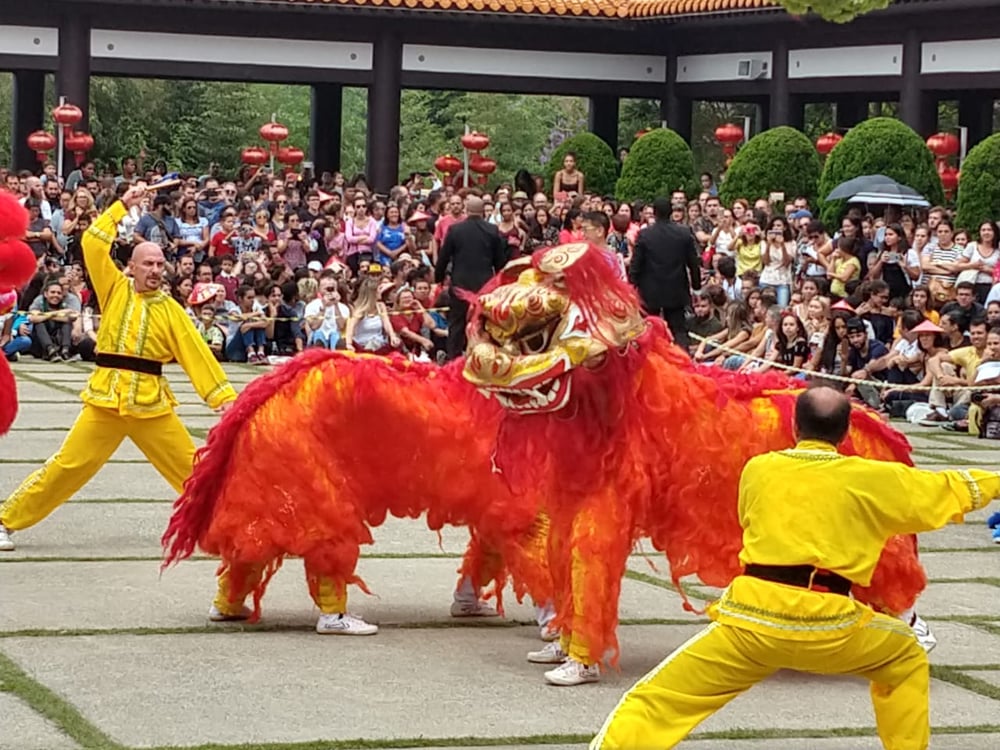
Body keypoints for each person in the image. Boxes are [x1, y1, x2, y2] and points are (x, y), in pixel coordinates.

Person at [590, 386, 1000, 750]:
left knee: (658, 699)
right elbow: (950, 487)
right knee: (906, 655)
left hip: (750, 622)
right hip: (832, 627)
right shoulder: (874, 478)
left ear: (795, 426)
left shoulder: (759, 469)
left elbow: (748, 519)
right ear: (845, 433)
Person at [0, 186, 237, 552]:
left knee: (193, 472)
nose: (155, 270)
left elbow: (197, 356)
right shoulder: (114, 288)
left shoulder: (172, 310)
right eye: (148, 264)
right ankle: (5, 520)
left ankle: (230, 530)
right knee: (67, 466)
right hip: (105, 403)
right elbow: (93, 243)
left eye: (159, 264)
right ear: (132, 266)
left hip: (151, 406)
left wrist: (224, 399)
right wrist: (123, 205)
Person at [434, 196, 506, 360]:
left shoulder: (455, 230)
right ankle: (486, 358)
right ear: (483, 211)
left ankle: (453, 360)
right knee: (485, 324)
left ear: (466, 209)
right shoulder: (492, 230)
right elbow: (500, 262)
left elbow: (443, 257)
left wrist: (439, 278)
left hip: (460, 284)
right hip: (485, 286)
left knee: (456, 325)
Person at [629, 197, 701, 349]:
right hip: (676, 288)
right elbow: (693, 263)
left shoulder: (645, 235)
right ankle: (683, 359)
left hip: (650, 290)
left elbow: (636, 264)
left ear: (654, 213)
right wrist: (696, 287)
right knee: (679, 330)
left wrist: (631, 286)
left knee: (649, 328)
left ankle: (650, 357)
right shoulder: (683, 233)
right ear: (671, 212)